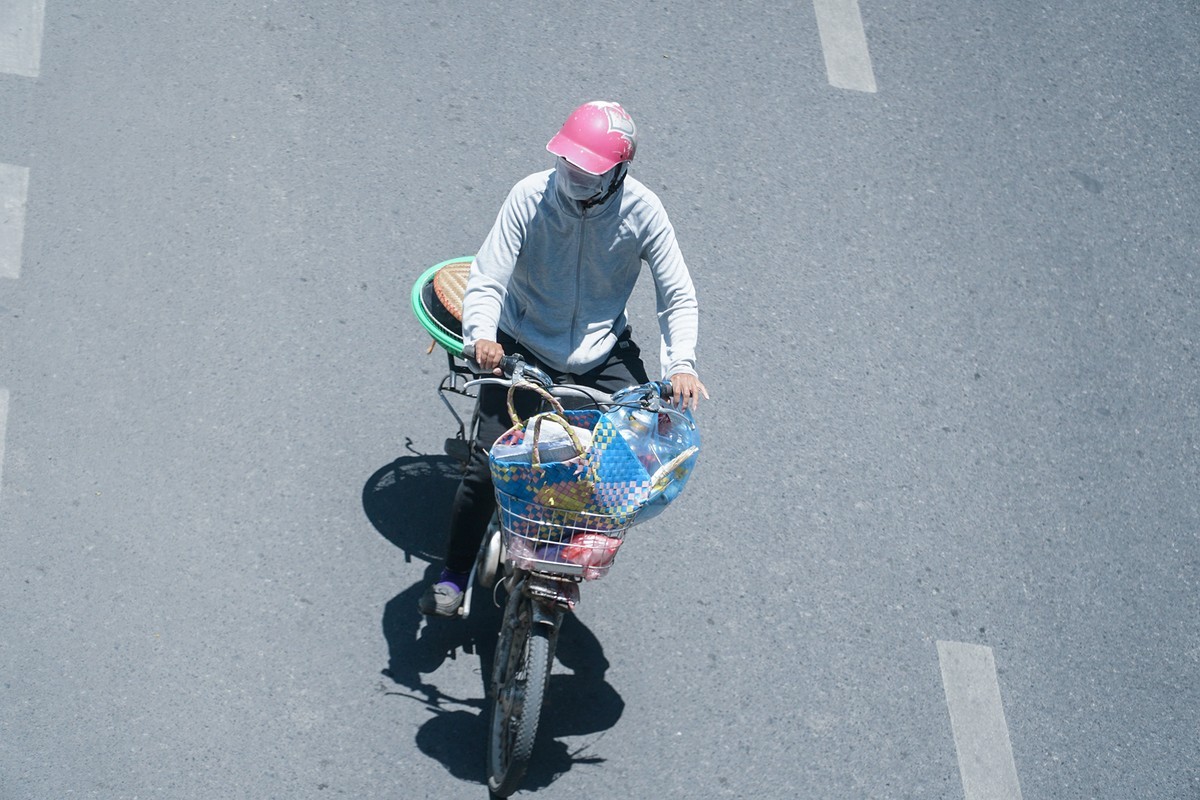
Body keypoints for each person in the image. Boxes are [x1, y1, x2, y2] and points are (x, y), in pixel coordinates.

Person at [420, 100, 708, 616]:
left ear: (619, 171)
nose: (572, 178)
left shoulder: (645, 212)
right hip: (522, 344)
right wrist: (484, 336)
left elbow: (678, 296)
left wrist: (681, 364)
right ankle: (455, 572)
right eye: (568, 166)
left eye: (586, 172)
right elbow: (487, 278)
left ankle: (560, 550)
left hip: (602, 354)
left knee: (621, 467)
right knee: (488, 466)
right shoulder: (529, 197)